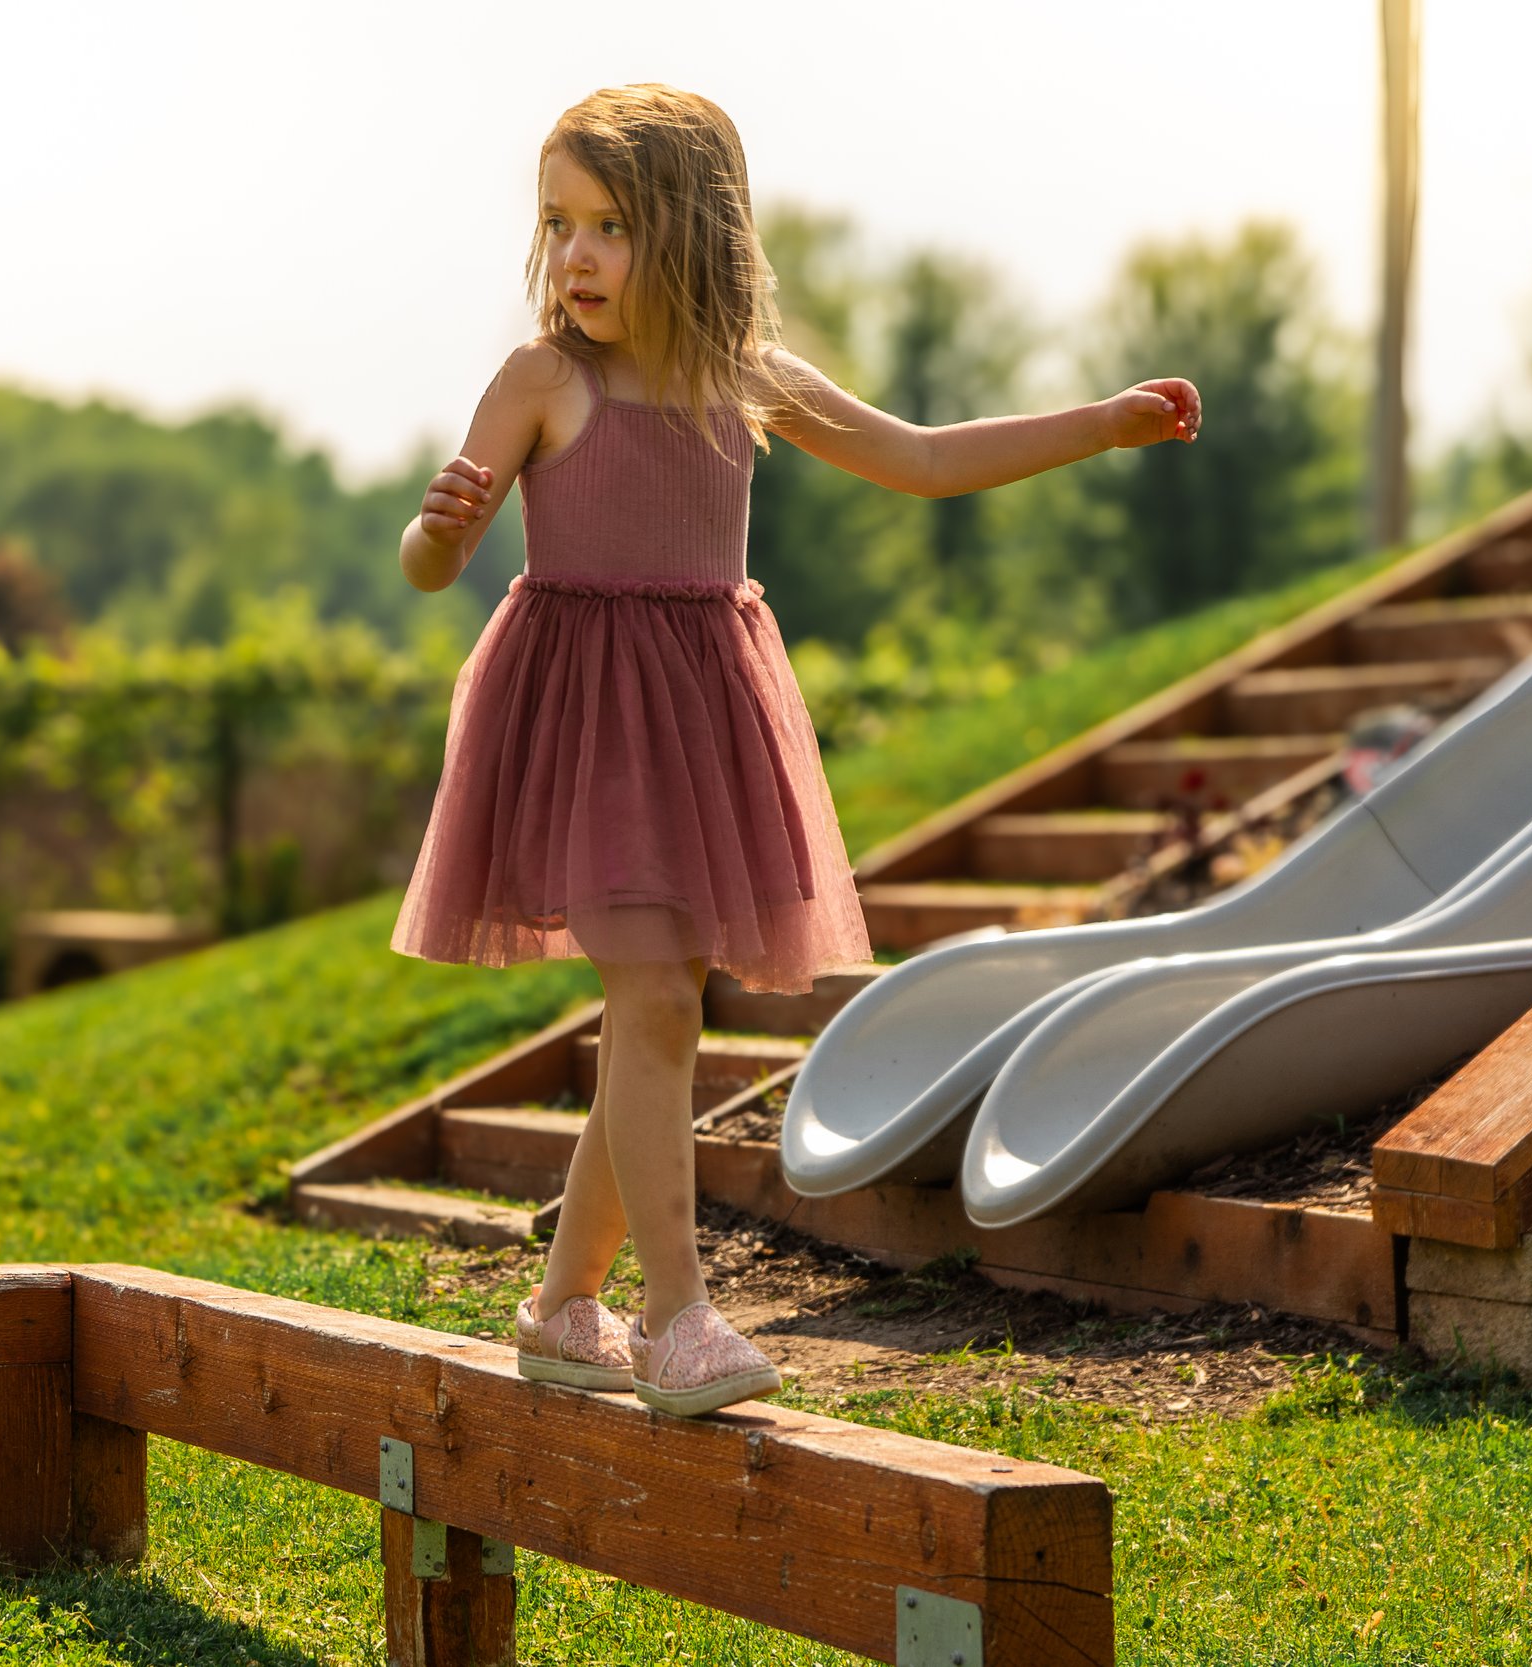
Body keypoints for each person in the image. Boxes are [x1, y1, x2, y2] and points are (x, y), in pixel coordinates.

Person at [389, 84, 1200, 1417]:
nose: (576, 255)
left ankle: (560, 1309)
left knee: (661, 998)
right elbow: (433, 570)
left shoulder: (741, 377)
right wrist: (438, 527)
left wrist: (1099, 424)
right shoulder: (544, 379)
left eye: (609, 226)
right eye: (558, 225)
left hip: (701, 726)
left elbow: (926, 460)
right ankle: (678, 1319)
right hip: (582, 723)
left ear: (693, 232)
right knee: (654, 998)